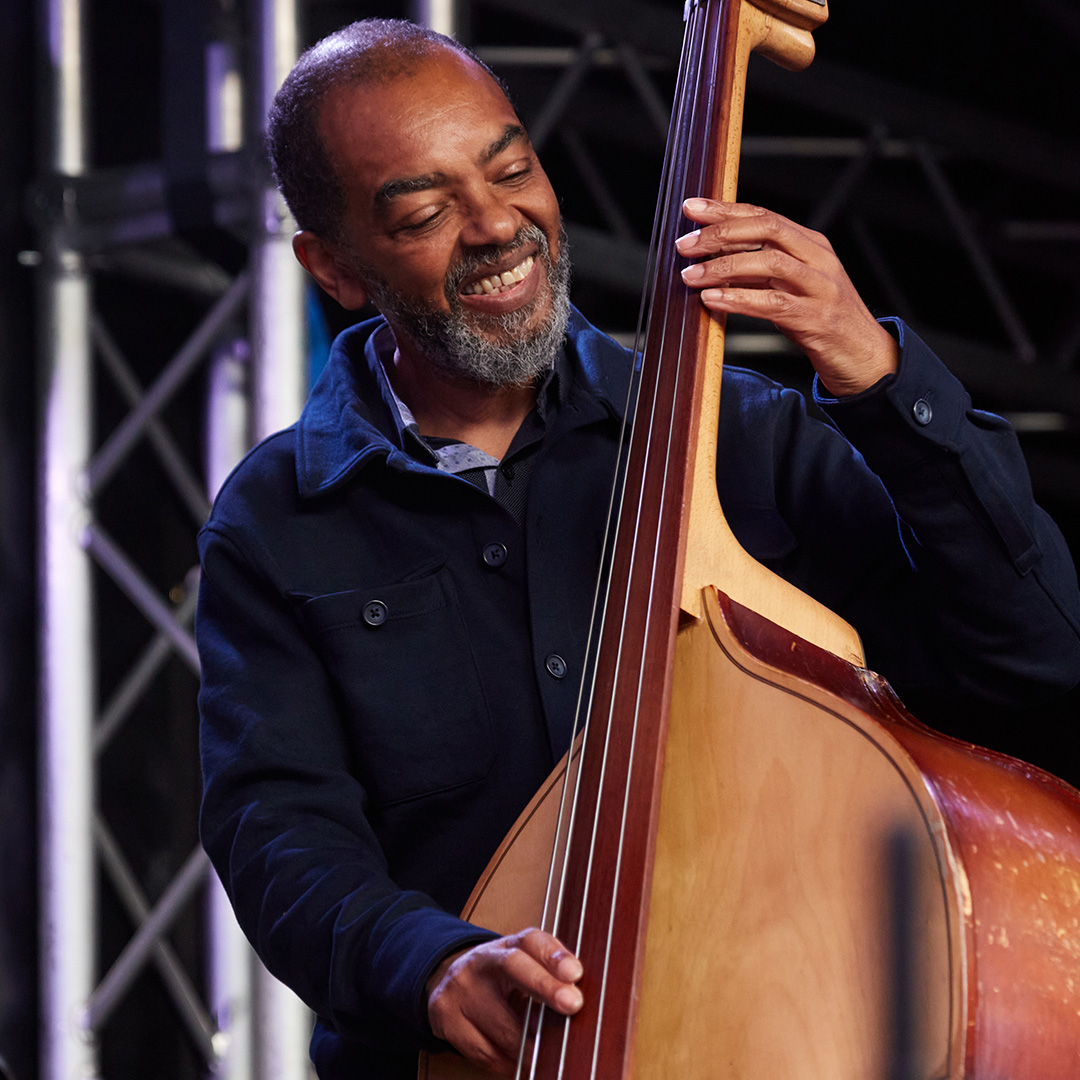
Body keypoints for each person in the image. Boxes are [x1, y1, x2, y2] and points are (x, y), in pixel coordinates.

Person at [196, 18, 1080, 1080]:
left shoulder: (742, 436)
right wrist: (427, 965)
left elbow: (1033, 656)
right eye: (426, 211)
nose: (496, 225)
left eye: (512, 169)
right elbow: (276, 825)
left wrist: (878, 375)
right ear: (334, 269)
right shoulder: (276, 520)